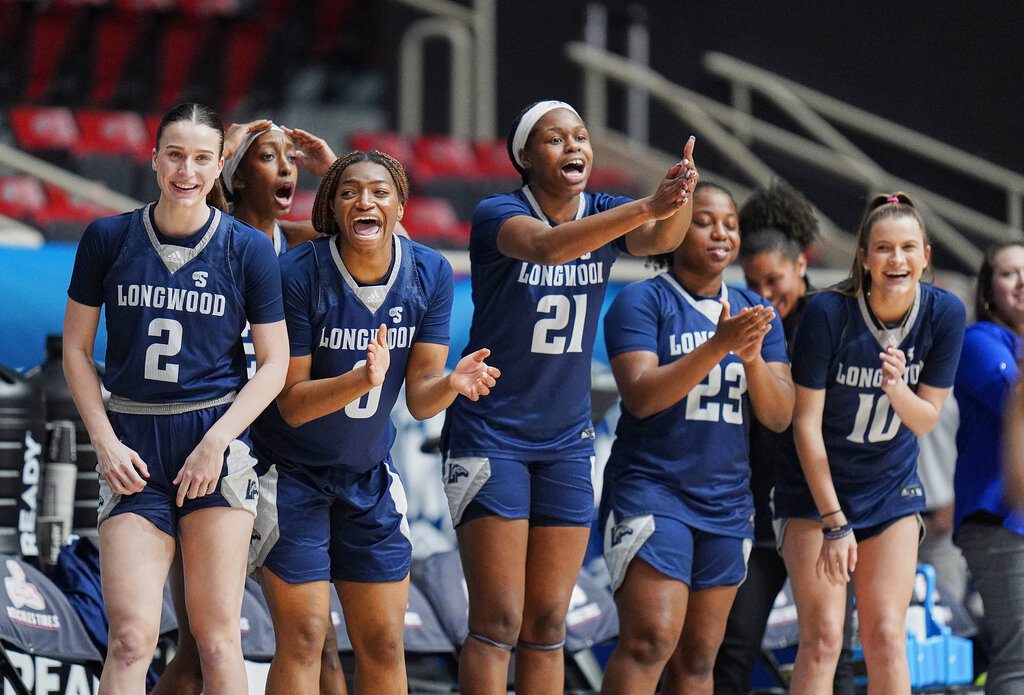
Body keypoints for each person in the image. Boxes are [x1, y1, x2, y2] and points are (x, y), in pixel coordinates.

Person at [440, 99, 698, 695]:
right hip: (491, 435)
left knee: (549, 622)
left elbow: (659, 239)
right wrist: (646, 207)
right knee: (498, 620)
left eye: (581, 137)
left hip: (564, 441)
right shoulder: (497, 213)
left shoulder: (605, 210)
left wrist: (678, 199)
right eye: (555, 140)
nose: (574, 147)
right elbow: (551, 248)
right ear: (525, 156)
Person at [250, 149, 500, 695]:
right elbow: (290, 403)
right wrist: (359, 382)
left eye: (380, 192)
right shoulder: (296, 272)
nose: (365, 201)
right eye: (349, 192)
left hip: (367, 475)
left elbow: (422, 395)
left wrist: (452, 386)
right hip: (289, 474)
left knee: (385, 642)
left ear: (401, 205)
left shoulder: (430, 271)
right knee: (305, 638)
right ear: (333, 207)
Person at [62, 102, 290, 695]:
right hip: (132, 447)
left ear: (218, 169)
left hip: (211, 442)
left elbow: (275, 364)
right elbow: (77, 351)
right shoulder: (108, 237)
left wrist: (219, 441)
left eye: (201, 158)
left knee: (217, 640)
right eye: (175, 155)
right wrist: (104, 441)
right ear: (155, 158)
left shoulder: (247, 249)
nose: (186, 170)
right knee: (131, 638)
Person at [152, 120, 348, 695]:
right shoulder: (205, 235)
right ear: (233, 176)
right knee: (199, 653)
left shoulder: (304, 250)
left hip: (283, 463)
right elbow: (172, 212)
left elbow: (379, 235)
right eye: (268, 158)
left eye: (291, 159)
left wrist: (330, 164)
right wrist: (226, 147)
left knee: (321, 645)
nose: (286, 168)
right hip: (212, 453)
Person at [597, 182, 794, 695]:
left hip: (727, 502)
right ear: (676, 229)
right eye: (705, 220)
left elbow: (778, 415)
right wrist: (718, 346)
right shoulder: (641, 300)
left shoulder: (755, 310)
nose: (721, 232)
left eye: (730, 223)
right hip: (652, 490)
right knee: (649, 640)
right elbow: (640, 396)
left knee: (701, 657)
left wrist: (749, 358)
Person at [774, 192, 965, 695]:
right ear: (863, 256)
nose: (895, 259)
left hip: (889, 489)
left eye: (907, 247)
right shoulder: (826, 314)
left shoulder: (944, 314)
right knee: (823, 639)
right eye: (883, 248)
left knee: (885, 636)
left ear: (926, 255)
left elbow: (925, 420)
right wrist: (835, 521)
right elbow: (805, 424)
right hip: (817, 494)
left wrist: (897, 387)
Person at [714, 180, 856, 695]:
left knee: (828, 645)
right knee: (731, 647)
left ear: (802, 264)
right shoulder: (739, 323)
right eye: (753, 283)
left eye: (773, 280)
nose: (764, 294)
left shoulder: (836, 321)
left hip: (816, 511)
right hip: (754, 514)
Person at [953, 242, 1024, 694]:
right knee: (1019, 654)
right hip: (1000, 521)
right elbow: (1015, 402)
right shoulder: (980, 340)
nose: (1023, 282)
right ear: (988, 290)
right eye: (1010, 273)